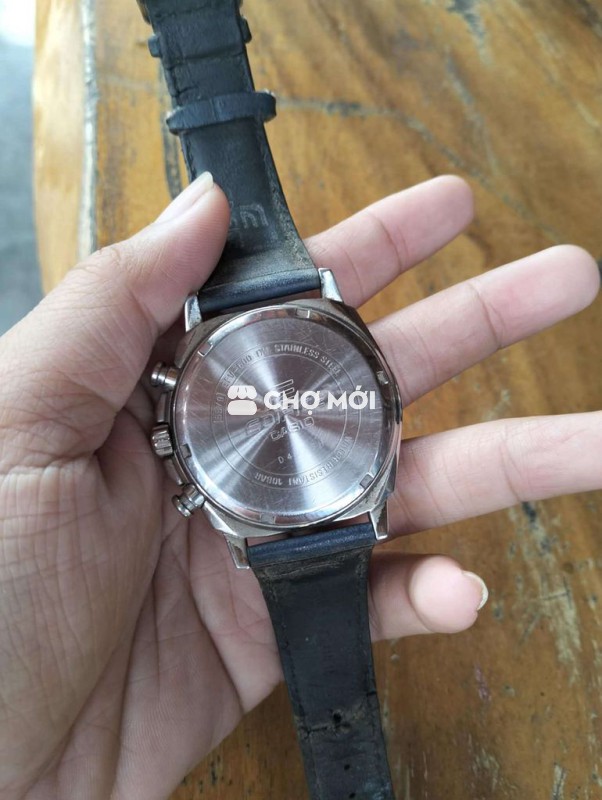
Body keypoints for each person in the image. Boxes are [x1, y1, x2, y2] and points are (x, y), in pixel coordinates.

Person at [0, 173, 599, 800]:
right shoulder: (219, 421)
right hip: (289, 510)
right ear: (169, 438)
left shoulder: (263, 382)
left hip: (330, 497)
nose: (284, 414)